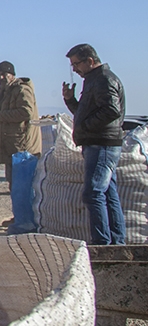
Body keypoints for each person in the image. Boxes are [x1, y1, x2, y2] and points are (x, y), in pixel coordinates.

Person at [63, 43, 126, 245]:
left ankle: (102, 242)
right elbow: (88, 112)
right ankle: (116, 241)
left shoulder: (103, 80)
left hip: (102, 143)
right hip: (99, 142)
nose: (74, 69)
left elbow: (111, 110)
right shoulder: (94, 80)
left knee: (94, 193)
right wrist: (71, 101)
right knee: (107, 193)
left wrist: (87, 127)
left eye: (76, 64)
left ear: (90, 61)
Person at [0, 61, 41, 224]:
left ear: (12, 74)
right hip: (11, 146)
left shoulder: (21, 89)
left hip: (22, 147)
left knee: (23, 186)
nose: (1, 77)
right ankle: (20, 217)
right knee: (14, 185)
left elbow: (26, 112)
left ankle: (27, 220)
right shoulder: (5, 92)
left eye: (4, 74)